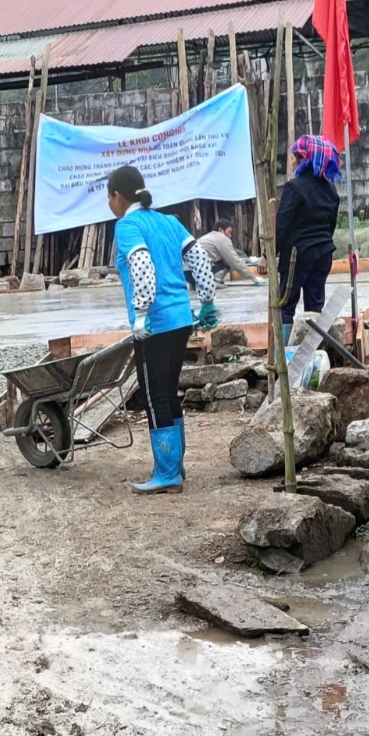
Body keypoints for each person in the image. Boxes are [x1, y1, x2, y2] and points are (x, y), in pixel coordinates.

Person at [107, 165, 218, 495]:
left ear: (117, 196)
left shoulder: (127, 225)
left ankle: (167, 472)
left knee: (154, 397)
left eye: (109, 198)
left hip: (155, 325)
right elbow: (199, 257)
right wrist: (207, 300)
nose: (109, 204)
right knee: (168, 392)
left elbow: (141, 262)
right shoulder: (169, 221)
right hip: (181, 319)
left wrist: (142, 312)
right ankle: (175, 465)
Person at [275, 136, 342, 343]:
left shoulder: (294, 187)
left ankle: (283, 353)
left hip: (297, 256)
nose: (291, 162)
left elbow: (282, 226)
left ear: (303, 159)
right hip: (323, 255)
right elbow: (330, 226)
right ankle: (312, 351)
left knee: (285, 305)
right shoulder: (331, 190)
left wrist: (268, 255)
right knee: (314, 306)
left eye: (293, 158)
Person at [196, 219, 262, 285]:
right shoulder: (222, 238)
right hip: (204, 273)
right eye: (229, 232)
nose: (230, 235)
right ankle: (214, 281)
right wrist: (254, 278)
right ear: (221, 230)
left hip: (193, 274)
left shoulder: (205, 238)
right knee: (228, 261)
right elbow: (235, 262)